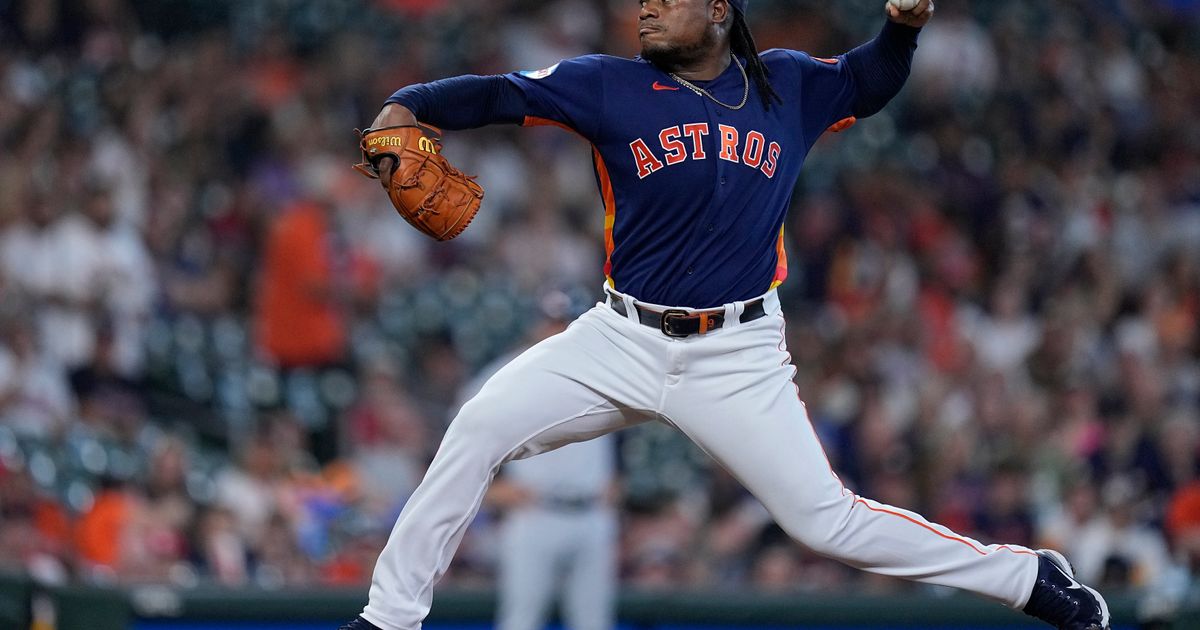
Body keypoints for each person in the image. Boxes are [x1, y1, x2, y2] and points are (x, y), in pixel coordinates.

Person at [343, 2, 1110, 629]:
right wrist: (403, 106)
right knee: (478, 427)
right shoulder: (606, 84)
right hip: (619, 337)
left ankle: (1026, 579)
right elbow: (496, 93)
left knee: (825, 523)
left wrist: (902, 28)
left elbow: (868, 82)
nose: (646, 8)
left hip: (736, 355)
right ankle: (389, 619)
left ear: (717, 11)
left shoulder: (785, 84)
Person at [455, 292, 619, 630]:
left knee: (595, 623)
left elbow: (630, 437)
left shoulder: (609, 368)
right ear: (536, 324)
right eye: (553, 321)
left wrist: (621, 479)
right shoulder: (507, 372)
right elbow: (460, 437)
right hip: (535, 513)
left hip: (593, 514)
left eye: (567, 321)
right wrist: (492, 491)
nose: (559, 329)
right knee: (521, 621)